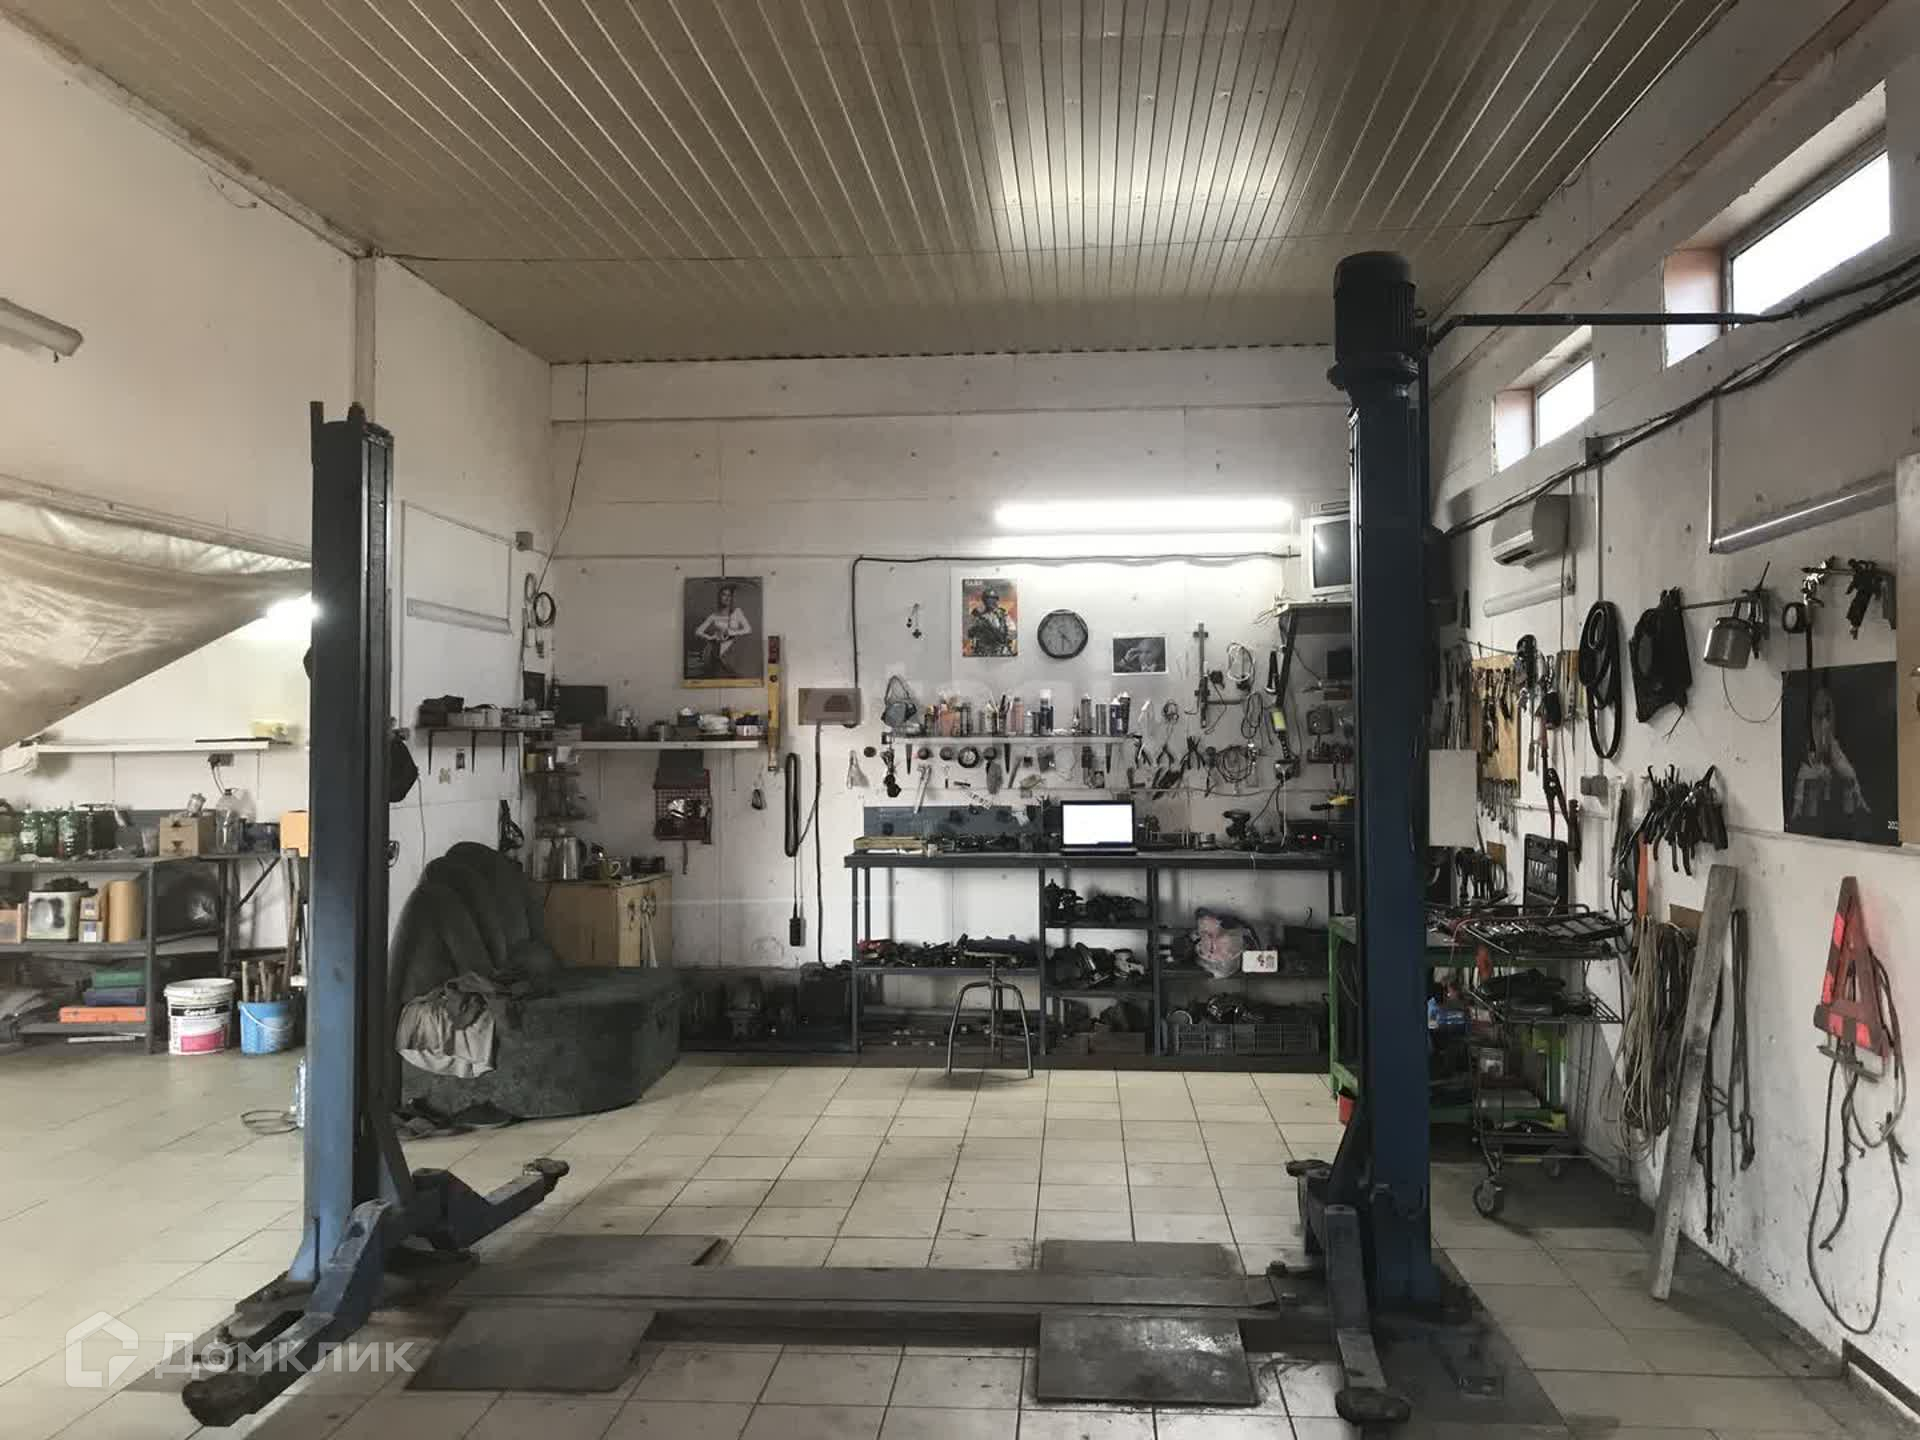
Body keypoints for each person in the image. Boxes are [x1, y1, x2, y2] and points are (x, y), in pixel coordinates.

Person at [1791, 684, 1873, 839]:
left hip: (1830, 756)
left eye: (1825, 701)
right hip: (1814, 761)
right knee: (1804, 778)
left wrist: (1830, 760)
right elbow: (1808, 750)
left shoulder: (1828, 722)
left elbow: (1831, 748)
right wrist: (1815, 759)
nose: (1822, 704)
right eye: (1819, 701)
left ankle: (1858, 802)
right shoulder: (1809, 723)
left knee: (1849, 774)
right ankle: (1798, 810)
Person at [693, 583, 753, 677]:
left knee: (734, 677)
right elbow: (698, 632)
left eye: (729, 595)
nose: (727, 598)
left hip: (732, 653)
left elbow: (748, 629)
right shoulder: (714, 616)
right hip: (716, 653)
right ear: (719, 597)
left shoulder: (737, 612)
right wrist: (710, 638)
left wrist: (730, 632)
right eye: (724, 595)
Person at [966, 587, 1015, 656]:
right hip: (983, 651)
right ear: (984, 600)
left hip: (999, 650)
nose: (989, 601)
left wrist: (1005, 640)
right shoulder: (978, 616)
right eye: (987, 598)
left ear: (996, 600)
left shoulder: (1003, 615)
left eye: (992, 598)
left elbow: (1012, 632)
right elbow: (970, 633)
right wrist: (977, 628)